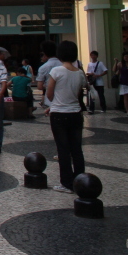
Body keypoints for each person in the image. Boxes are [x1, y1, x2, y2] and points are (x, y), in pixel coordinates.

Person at [46, 41, 86, 193]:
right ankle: (81, 181)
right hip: (75, 113)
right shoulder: (80, 73)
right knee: (77, 149)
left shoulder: (56, 71)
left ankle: (66, 183)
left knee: (63, 149)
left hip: (58, 115)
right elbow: (78, 93)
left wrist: (54, 104)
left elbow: (49, 94)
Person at [36, 41, 62, 113]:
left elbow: (40, 86)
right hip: (65, 99)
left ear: (45, 53)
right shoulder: (63, 65)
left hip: (50, 100)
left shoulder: (43, 67)